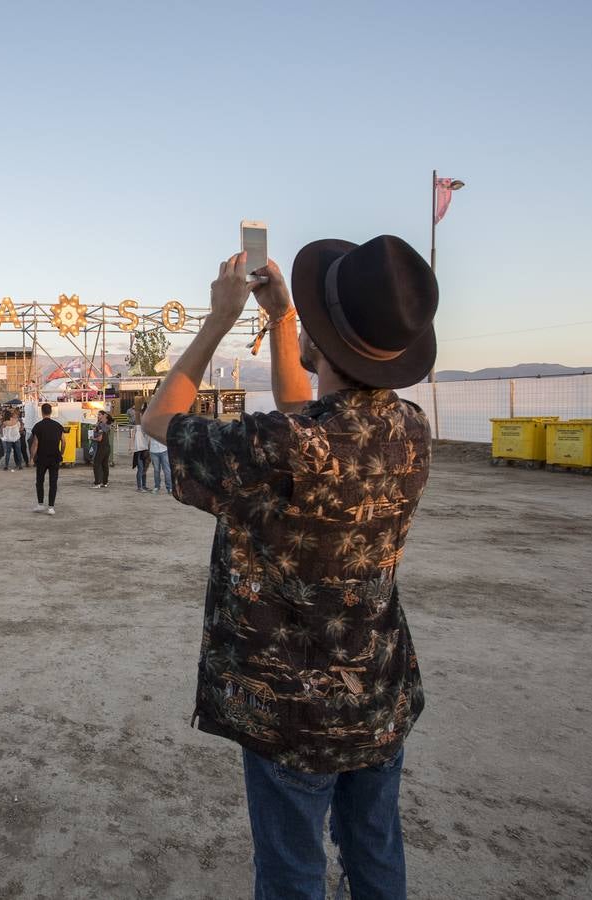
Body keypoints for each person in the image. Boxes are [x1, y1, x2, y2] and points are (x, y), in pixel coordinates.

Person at [142, 237, 438, 900]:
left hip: (292, 712)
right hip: (379, 693)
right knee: (376, 855)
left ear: (330, 345)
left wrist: (219, 320)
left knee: (292, 873)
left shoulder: (284, 444)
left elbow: (160, 418)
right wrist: (280, 322)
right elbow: (310, 421)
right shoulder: (411, 428)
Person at [28, 403, 65, 516]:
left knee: (40, 481)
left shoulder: (38, 426)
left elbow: (35, 443)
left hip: (42, 458)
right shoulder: (58, 426)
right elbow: (64, 441)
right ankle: (51, 507)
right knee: (53, 482)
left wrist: (31, 458)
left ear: (42, 412)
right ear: (51, 411)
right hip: (54, 457)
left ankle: (40, 504)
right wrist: (61, 453)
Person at [90, 410, 113, 488]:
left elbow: (99, 439)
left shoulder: (101, 425)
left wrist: (93, 438)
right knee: (104, 465)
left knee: (96, 464)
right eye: (98, 414)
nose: (98, 416)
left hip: (101, 447)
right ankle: (104, 482)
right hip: (107, 447)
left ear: (103, 416)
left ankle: (97, 483)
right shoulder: (106, 425)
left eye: (99, 415)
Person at [148, 430, 172, 495]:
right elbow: (148, 439)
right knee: (156, 470)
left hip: (164, 450)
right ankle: (156, 487)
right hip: (153, 451)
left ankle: (169, 488)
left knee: (167, 470)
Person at [130, 413, 150, 493]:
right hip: (138, 450)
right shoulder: (136, 427)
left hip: (146, 450)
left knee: (144, 469)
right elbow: (132, 437)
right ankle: (139, 487)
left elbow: (149, 439)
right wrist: (131, 447)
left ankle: (144, 486)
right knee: (140, 469)